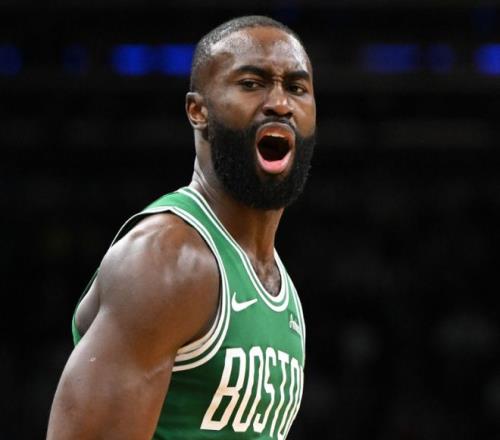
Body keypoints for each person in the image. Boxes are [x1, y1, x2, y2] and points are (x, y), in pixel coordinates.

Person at [47, 15, 316, 439]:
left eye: (296, 88)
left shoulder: (280, 288)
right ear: (198, 111)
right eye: (251, 83)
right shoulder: (166, 259)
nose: (280, 103)